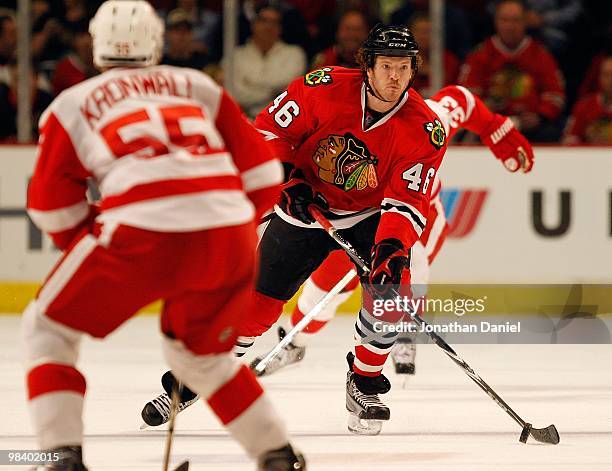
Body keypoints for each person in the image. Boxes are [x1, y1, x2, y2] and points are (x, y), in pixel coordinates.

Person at [141, 35, 534, 433]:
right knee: (256, 306)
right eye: (386, 66)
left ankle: (364, 384)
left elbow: (407, 199)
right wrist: (285, 179)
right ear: (368, 66)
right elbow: (268, 133)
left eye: (403, 67)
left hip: (369, 214)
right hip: (305, 203)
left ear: (414, 70)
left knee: (391, 295)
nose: (394, 77)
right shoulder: (324, 86)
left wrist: (392, 247)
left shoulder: (425, 126)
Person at [22, 2, 305, 470]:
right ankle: (276, 455)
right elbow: (262, 172)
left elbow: (49, 208)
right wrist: (221, 231)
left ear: (97, 47)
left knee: (47, 330)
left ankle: (62, 457)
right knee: (203, 358)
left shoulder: (71, 103)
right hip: (228, 233)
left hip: (138, 229)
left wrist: (99, 238)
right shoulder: (196, 85)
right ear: (155, 43)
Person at [459, 0, 565, 142]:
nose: (510, 26)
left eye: (516, 20)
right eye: (505, 20)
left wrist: (540, 115)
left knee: (550, 133)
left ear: (525, 22)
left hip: (532, 128)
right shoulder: (480, 55)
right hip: (490, 125)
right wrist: (485, 109)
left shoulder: (540, 54)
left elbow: (555, 93)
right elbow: (468, 95)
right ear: (496, 21)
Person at [230, 5, 307, 118]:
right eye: (263, 21)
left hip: (282, 123)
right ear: (253, 25)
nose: (269, 26)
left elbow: (291, 93)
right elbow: (234, 94)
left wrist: (250, 84)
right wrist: (274, 93)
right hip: (243, 120)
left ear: (280, 28)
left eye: (275, 22)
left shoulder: (294, 54)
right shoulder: (235, 56)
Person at [563, 55, 612, 145]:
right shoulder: (584, 105)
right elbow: (569, 139)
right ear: (599, 78)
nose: (610, 80)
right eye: (606, 75)